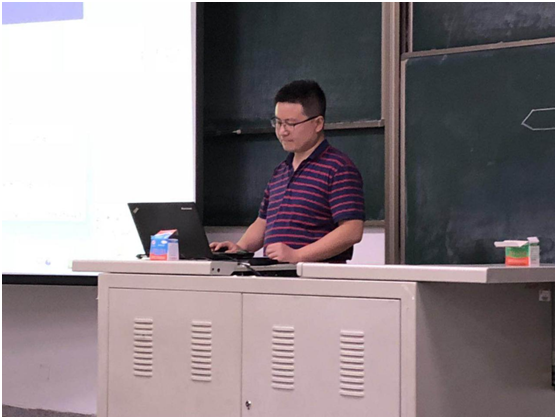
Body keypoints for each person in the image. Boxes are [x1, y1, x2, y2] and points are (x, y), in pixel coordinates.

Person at [210, 80, 365, 263]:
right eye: (278, 123)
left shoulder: (338, 168)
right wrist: (239, 248)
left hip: (314, 276)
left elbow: (352, 230)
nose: (282, 132)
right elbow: (264, 221)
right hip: (275, 274)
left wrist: (298, 255)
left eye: (290, 124)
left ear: (317, 123)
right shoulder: (281, 171)